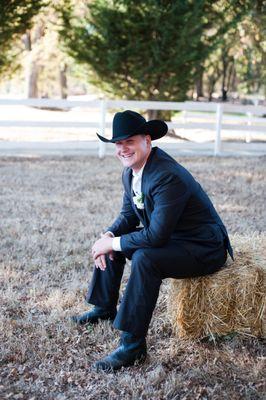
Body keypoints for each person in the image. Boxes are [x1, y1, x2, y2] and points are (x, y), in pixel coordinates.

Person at [72, 110, 233, 372]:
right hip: (173, 239)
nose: (123, 149)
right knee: (119, 240)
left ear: (147, 140)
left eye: (129, 142)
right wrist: (108, 236)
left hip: (203, 247)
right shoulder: (131, 172)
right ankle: (104, 307)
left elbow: (156, 236)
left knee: (146, 257)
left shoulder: (167, 175)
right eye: (118, 144)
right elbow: (127, 214)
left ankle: (133, 346)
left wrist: (112, 244)